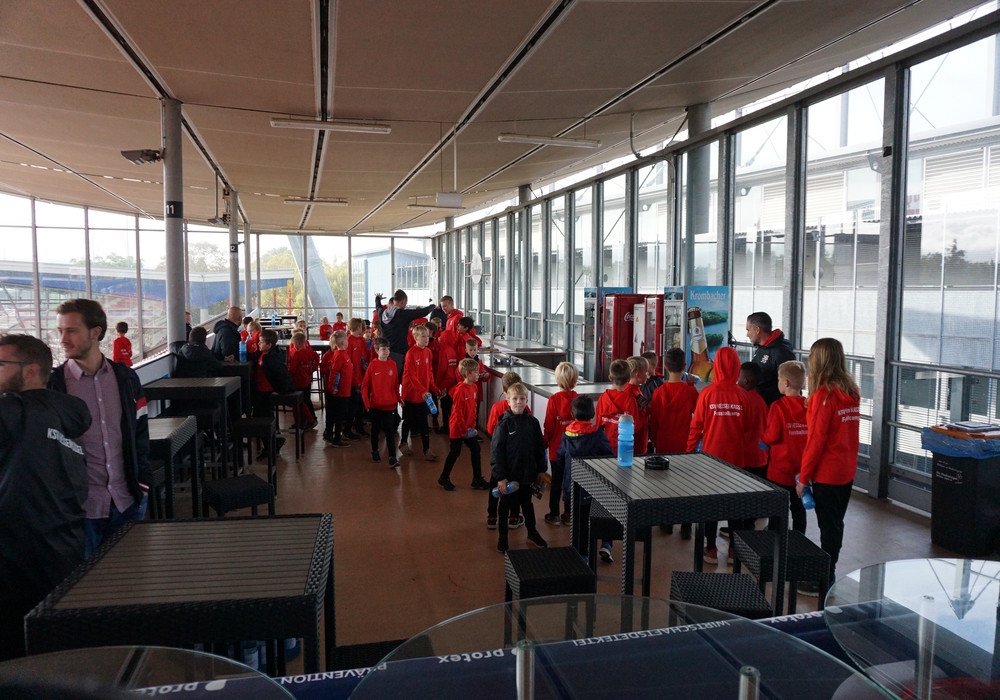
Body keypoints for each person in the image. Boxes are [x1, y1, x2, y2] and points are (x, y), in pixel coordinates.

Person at [0, 334, 90, 661]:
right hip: (65, 557)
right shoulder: (66, 413)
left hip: (15, 568)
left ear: (30, 371)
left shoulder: (13, 411)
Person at [49, 298, 151, 558]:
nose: (63, 339)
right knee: (82, 582)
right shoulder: (54, 386)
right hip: (80, 513)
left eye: (71, 331)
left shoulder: (126, 379)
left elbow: (140, 432)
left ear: (95, 332)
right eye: (60, 331)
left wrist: (143, 484)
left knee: (131, 577)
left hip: (127, 503)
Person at [797, 338, 860, 591]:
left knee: (828, 527)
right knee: (835, 524)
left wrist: (803, 478)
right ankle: (829, 570)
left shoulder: (823, 397)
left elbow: (815, 441)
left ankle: (825, 576)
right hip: (847, 469)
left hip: (828, 473)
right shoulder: (851, 392)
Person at [685, 346, 749, 564]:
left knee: (711, 504)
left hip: (711, 460)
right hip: (737, 460)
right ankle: (733, 550)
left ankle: (710, 548)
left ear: (717, 366)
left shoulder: (707, 393)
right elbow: (749, 429)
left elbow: (696, 426)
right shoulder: (742, 395)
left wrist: (689, 451)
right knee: (736, 505)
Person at [647, 347, 699, 539]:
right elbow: (698, 416)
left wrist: (655, 440)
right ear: (684, 366)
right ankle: (686, 525)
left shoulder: (659, 393)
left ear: (666, 367)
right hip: (685, 444)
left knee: (665, 485)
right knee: (686, 485)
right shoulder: (690, 391)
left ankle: (667, 522)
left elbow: (654, 422)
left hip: (664, 443)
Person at [555, 395, 615, 561]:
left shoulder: (567, 435)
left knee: (579, 521)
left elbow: (560, 458)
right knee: (603, 513)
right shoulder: (598, 434)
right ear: (593, 414)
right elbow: (608, 457)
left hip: (573, 486)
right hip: (595, 487)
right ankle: (606, 544)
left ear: (572, 415)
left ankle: (583, 554)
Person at [491, 382, 548, 553]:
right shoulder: (503, 425)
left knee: (527, 504)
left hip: (527, 474)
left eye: (522, 399)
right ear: (508, 401)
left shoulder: (533, 423)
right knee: (505, 506)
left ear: (526, 401)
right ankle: (503, 536)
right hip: (509, 476)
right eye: (515, 399)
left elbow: (540, 448)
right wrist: (500, 477)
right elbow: (496, 453)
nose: (518, 402)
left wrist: (541, 469)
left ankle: (532, 532)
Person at [762, 360, 809, 536]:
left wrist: (762, 441)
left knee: (777, 509)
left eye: (778, 380)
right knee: (799, 509)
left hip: (779, 471)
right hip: (801, 472)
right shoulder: (809, 406)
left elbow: (772, 436)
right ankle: (799, 540)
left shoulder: (778, 407)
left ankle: (776, 540)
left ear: (786, 383)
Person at [437, 359, 490, 491]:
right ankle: (444, 477)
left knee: (476, 449)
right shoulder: (460, 390)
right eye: (475, 372)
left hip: (468, 428)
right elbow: (458, 412)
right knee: (455, 452)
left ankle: (477, 479)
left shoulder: (474, 387)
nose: (478, 374)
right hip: (458, 428)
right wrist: (463, 430)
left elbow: (473, 409)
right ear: (467, 374)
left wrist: (472, 426)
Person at [485, 371, 526, 530]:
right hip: (516, 458)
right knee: (515, 486)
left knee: (494, 484)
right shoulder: (525, 408)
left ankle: (492, 516)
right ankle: (514, 517)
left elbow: (490, 429)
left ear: (503, 390)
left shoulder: (497, 407)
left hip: (500, 457)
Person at [542, 362, 578, 525]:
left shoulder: (554, 400)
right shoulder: (578, 399)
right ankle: (569, 514)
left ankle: (554, 514)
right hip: (574, 449)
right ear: (575, 380)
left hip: (556, 449)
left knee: (556, 482)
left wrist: (545, 441)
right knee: (571, 482)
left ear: (557, 380)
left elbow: (549, 425)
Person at [399, 325, 438, 461]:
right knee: (408, 420)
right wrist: (422, 391)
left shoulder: (428, 352)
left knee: (423, 422)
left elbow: (429, 372)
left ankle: (426, 450)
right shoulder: (410, 353)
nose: (426, 339)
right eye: (423, 336)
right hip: (411, 393)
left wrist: (434, 388)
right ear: (415, 337)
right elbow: (412, 375)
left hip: (423, 394)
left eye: (427, 336)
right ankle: (403, 443)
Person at [362, 337, 400, 468]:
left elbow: (395, 384)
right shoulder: (373, 365)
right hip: (376, 405)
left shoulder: (393, 364)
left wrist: (399, 399)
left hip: (390, 405)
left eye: (388, 349)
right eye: (383, 349)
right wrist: (367, 403)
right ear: (377, 350)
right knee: (375, 430)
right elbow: (365, 385)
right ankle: (375, 450)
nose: (386, 351)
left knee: (390, 431)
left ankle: (392, 456)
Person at [378, 290, 435, 377]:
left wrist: (377, 299)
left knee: (387, 378)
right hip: (399, 352)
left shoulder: (382, 314)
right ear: (403, 301)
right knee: (398, 378)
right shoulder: (402, 314)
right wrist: (432, 306)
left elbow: (378, 307)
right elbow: (421, 312)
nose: (405, 305)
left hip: (384, 351)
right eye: (405, 303)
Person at [746, 311, 796, 406]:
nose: (747, 334)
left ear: (757, 330)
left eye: (748, 330)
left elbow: (792, 383)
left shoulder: (781, 351)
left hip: (772, 407)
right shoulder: (762, 347)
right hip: (759, 404)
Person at [595, 359, 640, 454]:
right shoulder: (630, 400)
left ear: (610, 378)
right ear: (629, 379)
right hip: (623, 446)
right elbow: (634, 426)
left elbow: (598, 423)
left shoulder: (603, 398)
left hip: (604, 445)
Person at [321, 330, 353, 448]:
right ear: (343, 342)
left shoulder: (343, 354)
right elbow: (334, 372)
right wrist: (332, 387)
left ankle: (333, 435)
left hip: (345, 390)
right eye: (347, 340)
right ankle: (336, 438)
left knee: (339, 414)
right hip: (341, 391)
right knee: (339, 415)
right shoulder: (339, 355)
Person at [287, 330, 319, 430]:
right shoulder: (309, 352)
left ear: (297, 343)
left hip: (297, 381)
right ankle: (305, 421)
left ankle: (306, 421)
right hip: (306, 380)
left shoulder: (297, 354)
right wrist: (312, 369)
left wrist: (287, 372)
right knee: (306, 400)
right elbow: (316, 357)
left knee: (299, 402)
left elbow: (292, 369)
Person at [345, 318, 369, 439]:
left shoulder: (360, 340)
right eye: (361, 327)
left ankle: (359, 427)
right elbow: (348, 363)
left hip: (361, 376)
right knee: (353, 406)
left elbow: (365, 356)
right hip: (353, 379)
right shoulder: (348, 341)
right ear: (357, 327)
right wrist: (355, 380)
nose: (362, 329)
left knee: (360, 404)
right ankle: (348, 429)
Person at [625, 356, 650, 455]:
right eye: (646, 372)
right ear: (638, 374)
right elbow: (634, 421)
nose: (648, 375)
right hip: (635, 441)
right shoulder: (629, 393)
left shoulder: (636, 389)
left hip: (641, 438)